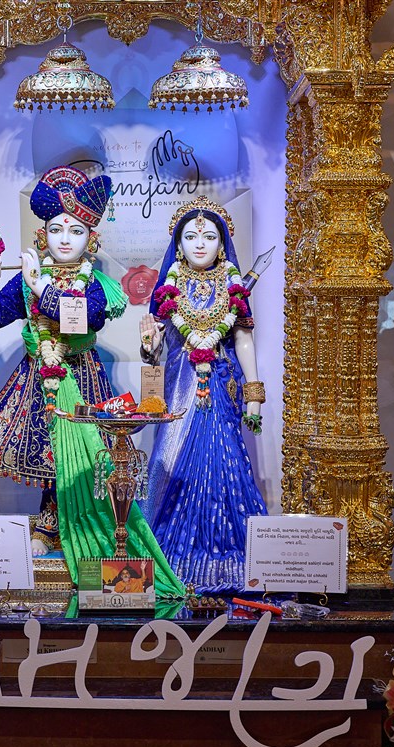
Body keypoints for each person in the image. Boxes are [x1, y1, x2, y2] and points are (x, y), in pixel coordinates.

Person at [0, 165, 184, 598]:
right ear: (42, 234)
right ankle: (49, 525)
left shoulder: (96, 284)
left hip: (81, 375)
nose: (65, 238)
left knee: (85, 457)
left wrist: (40, 288)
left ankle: (78, 528)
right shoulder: (27, 278)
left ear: (91, 239)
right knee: (50, 453)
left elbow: (82, 318)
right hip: (38, 377)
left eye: (76, 230)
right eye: (56, 229)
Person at [139, 195, 268, 594]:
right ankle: (163, 561)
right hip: (179, 387)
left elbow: (243, 339)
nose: (200, 243)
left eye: (210, 237)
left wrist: (253, 393)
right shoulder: (168, 286)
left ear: (222, 244)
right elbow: (155, 346)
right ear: (178, 245)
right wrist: (148, 345)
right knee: (166, 461)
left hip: (221, 387)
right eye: (191, 237)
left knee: (225, 464)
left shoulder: (232, 285)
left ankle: (225, 560)